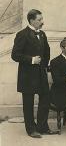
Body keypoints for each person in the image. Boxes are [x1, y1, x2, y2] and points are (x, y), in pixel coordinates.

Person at [11, 9, 57, 138]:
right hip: (27, 76)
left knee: (45, 99)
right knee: (28, 103)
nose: (42, 22)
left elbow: (46, 52)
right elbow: (15, 55)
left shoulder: (42, 34)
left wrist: (44, 65)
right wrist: (32, 60)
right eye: (39, 20)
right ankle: (31, 129)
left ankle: (42, 127)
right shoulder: (22, 34)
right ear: (31, 20)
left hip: (41, 74)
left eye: (42, 19)